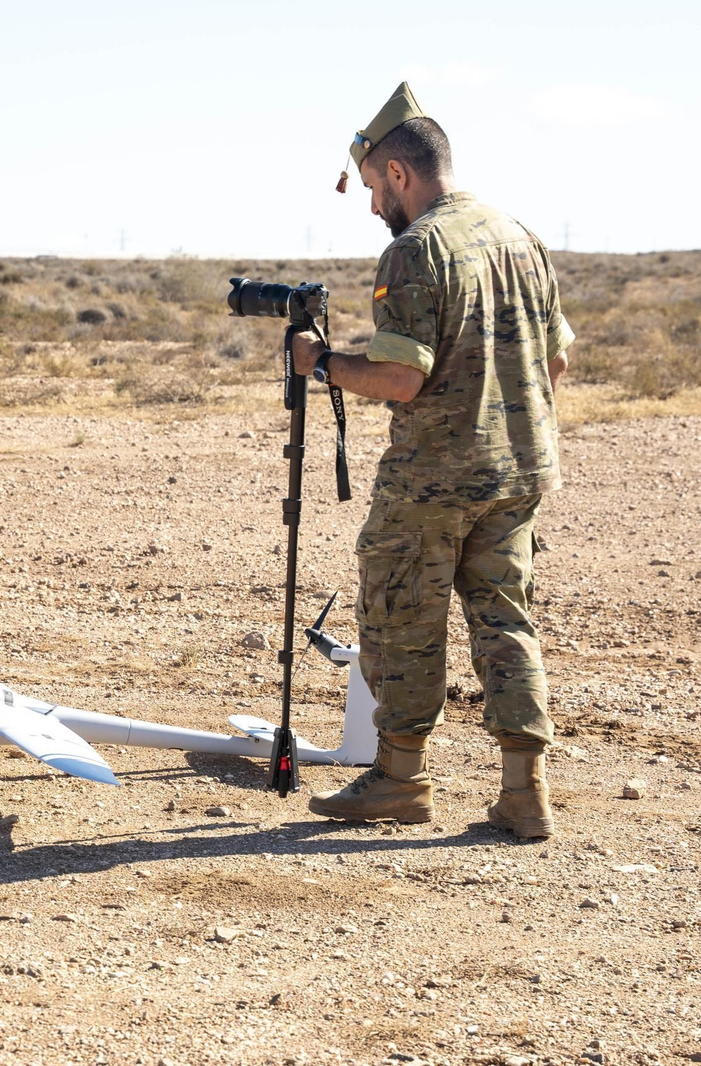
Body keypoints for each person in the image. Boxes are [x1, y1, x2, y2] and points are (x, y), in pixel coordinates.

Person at [289, 83, 575, 838]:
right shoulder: (519, 235)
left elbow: (400, 378)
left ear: (399, 172)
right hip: (519, 471)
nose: (372, 205)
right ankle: (525, 793)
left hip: (435, 479)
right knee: (506, 620)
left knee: (402, 616)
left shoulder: (415, 249)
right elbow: (555, 363)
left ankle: (400, 779)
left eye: (373, 186)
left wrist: (321, 364)